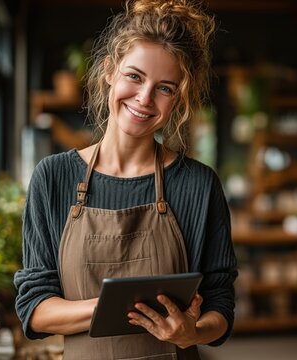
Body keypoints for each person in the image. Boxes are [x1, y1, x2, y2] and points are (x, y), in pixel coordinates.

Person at [13, 1, 237, 358]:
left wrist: (190, 332)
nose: (144, 99)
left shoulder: (198, 185)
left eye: (165, 88)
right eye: (134, 76)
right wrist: (119, 305)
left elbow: (221, 307)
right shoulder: (53, 177)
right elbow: (35, 310)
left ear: (178, 98)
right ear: (108, 71)